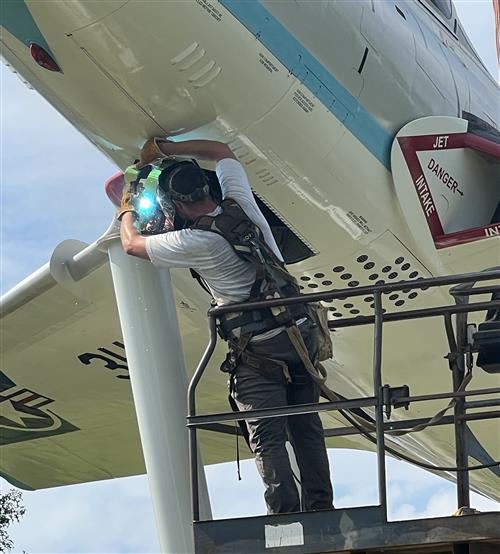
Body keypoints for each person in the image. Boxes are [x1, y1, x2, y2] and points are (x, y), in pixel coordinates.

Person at [118, 138, 333, 514]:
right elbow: (221, 151)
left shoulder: (196, 240)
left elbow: (132, 245)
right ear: (206, 189)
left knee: (267, 437)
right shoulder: (242, 205)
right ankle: (321, 511)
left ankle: (285, 520)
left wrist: (126, 205)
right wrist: (169, 147)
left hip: (260, 352)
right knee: (306, 429)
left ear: (178, 206)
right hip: (301, 338)